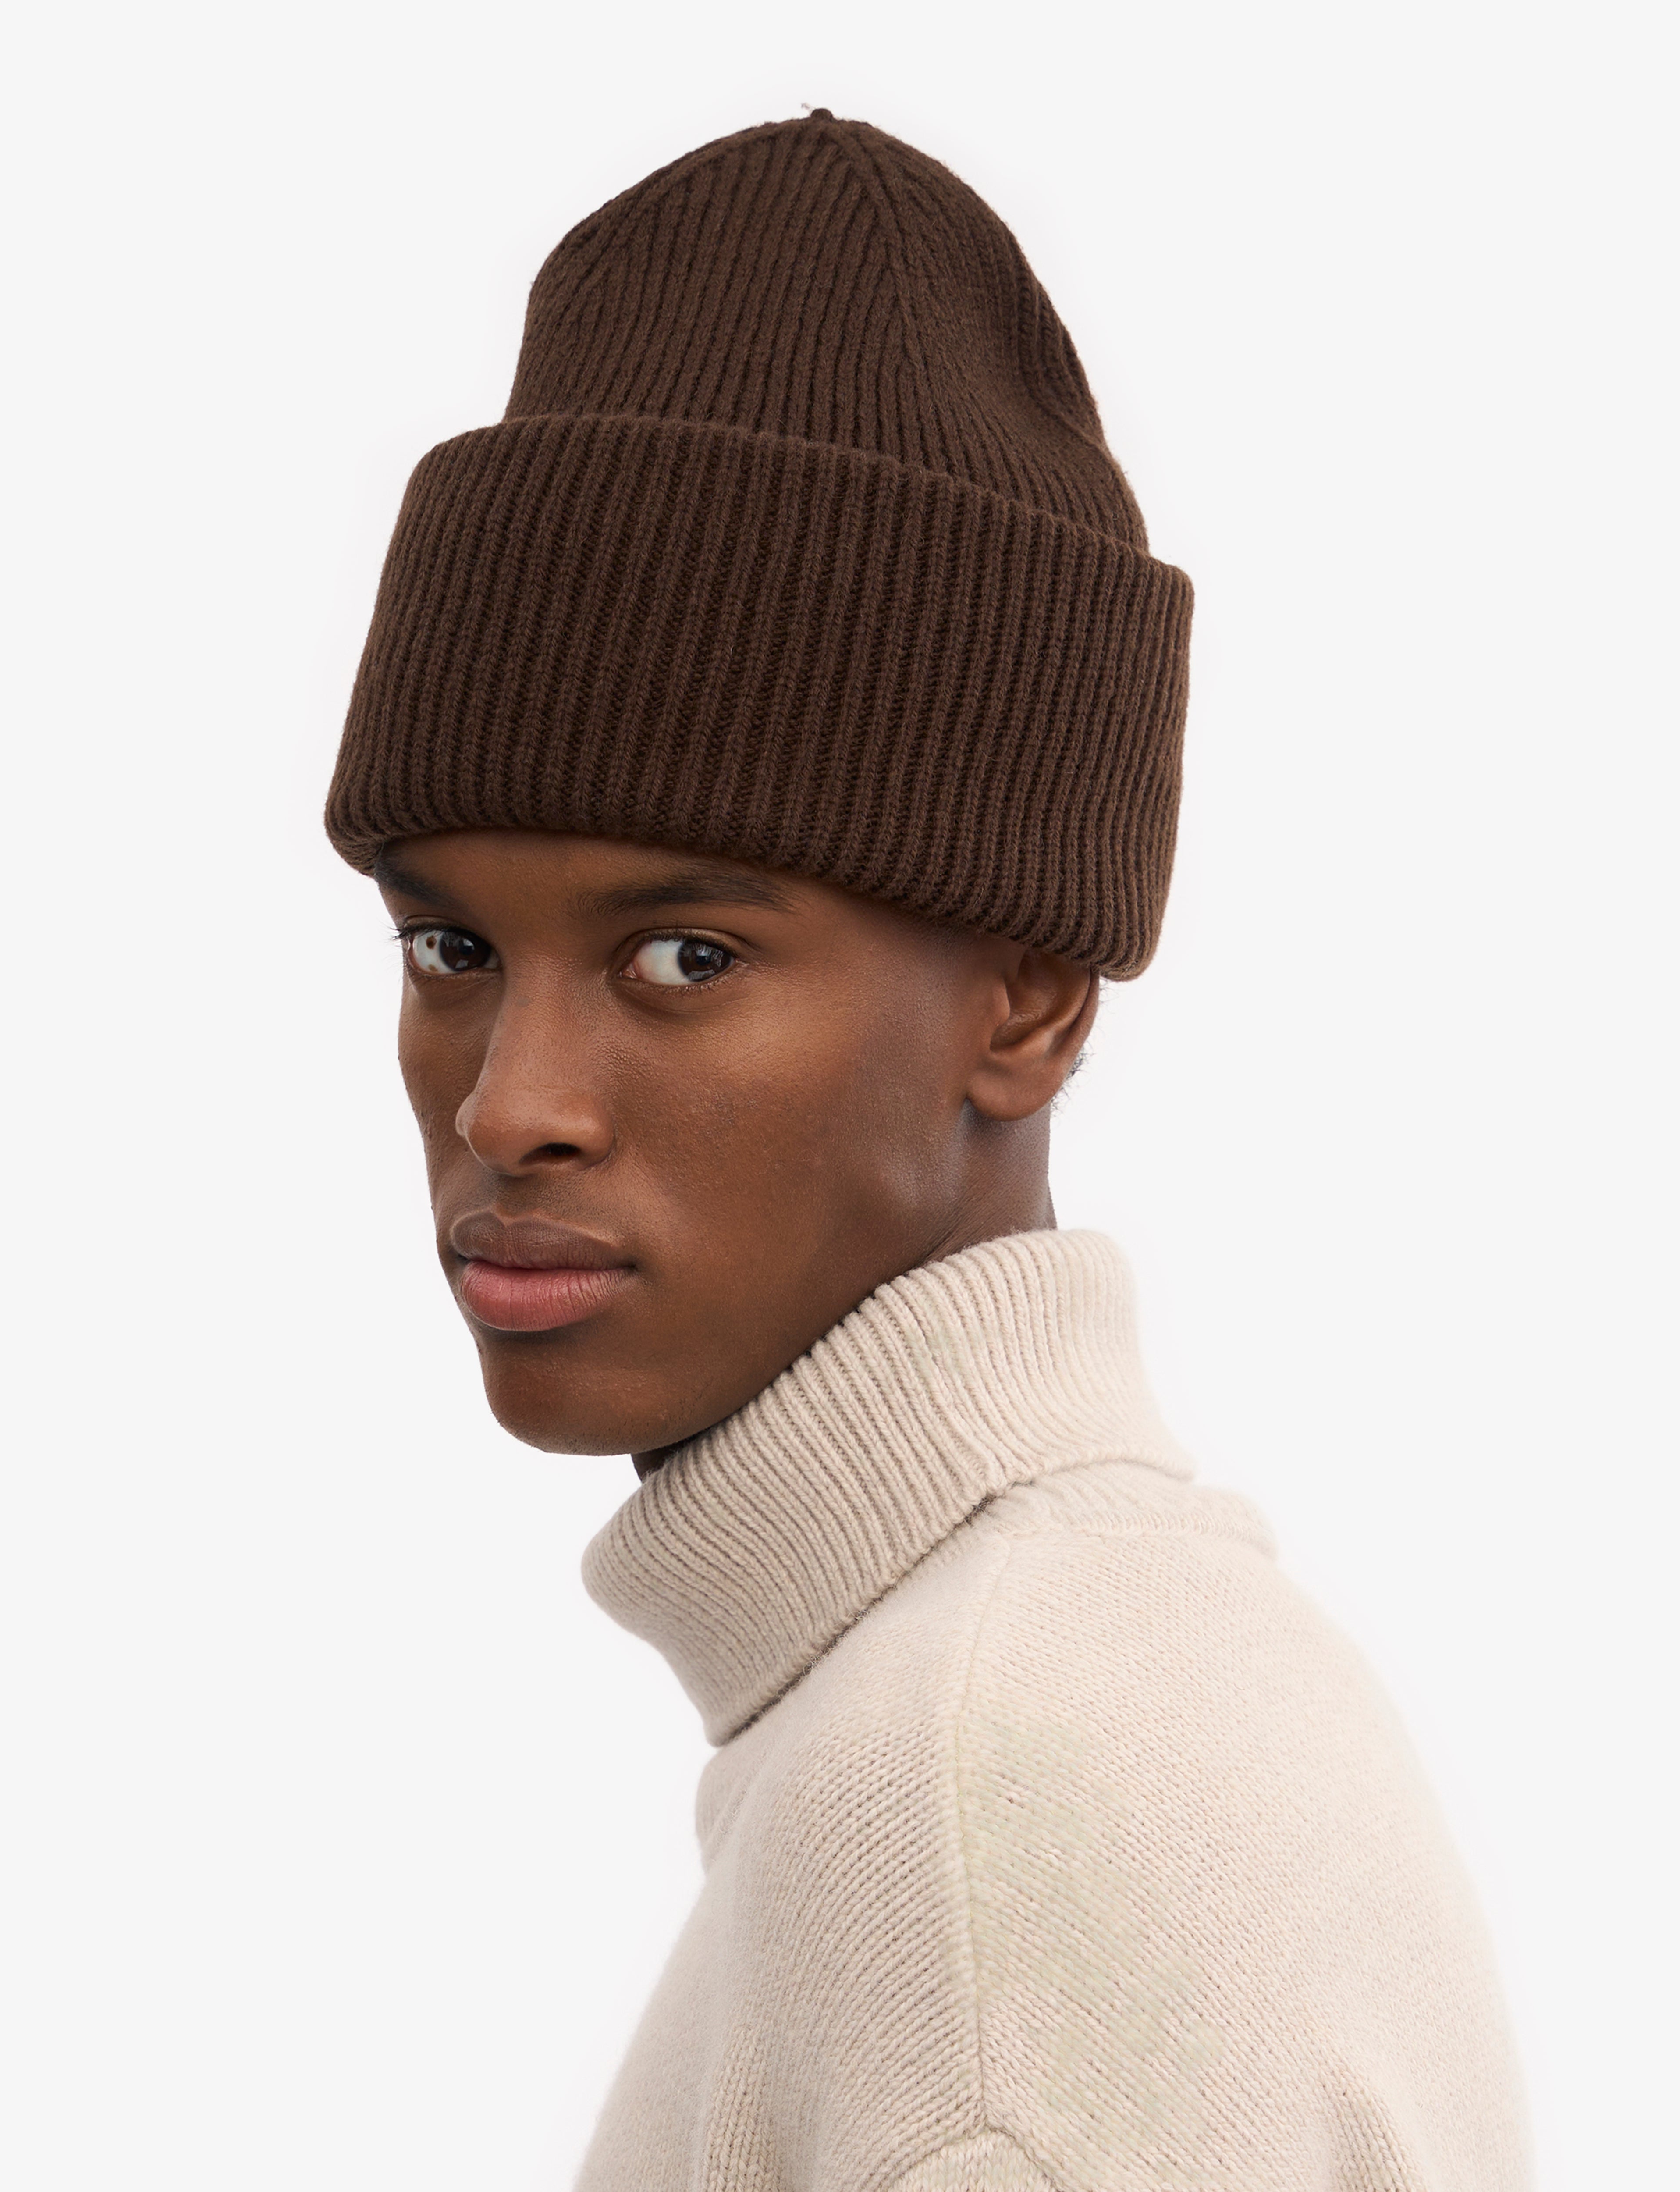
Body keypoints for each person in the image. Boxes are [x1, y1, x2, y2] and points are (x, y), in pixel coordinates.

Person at [326, 112, 1529, 2192]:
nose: (508, 1099)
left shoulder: (992, 1827)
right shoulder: (1048, 1688)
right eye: (450, 945)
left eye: (683, 955)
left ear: (1029, 999)